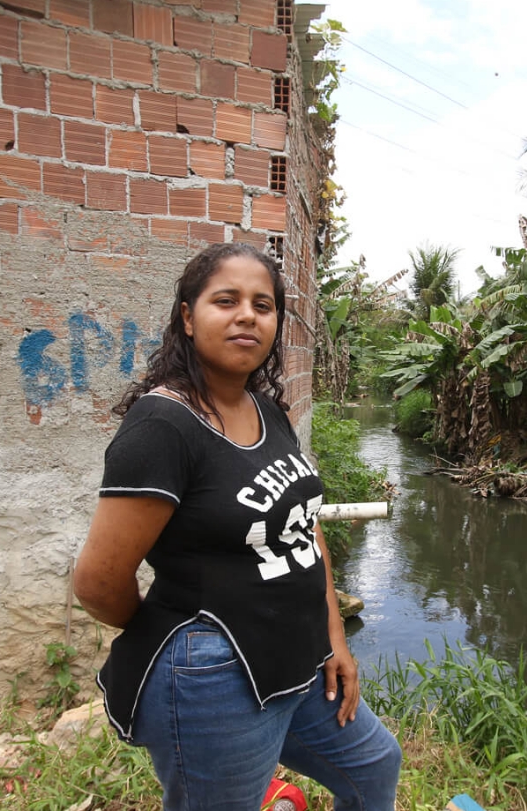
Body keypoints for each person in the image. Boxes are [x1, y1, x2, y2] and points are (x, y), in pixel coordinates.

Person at [73, 243, 402, 811]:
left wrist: (333, 636)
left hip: (298, 655)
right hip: (215, 679)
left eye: (263, 304)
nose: (247, 315)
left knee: (374, 765)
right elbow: (99, 581)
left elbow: (305, 529)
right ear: (187, 316)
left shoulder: (266, 409)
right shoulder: (163, 426)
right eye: (226, 300)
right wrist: (176, 633)